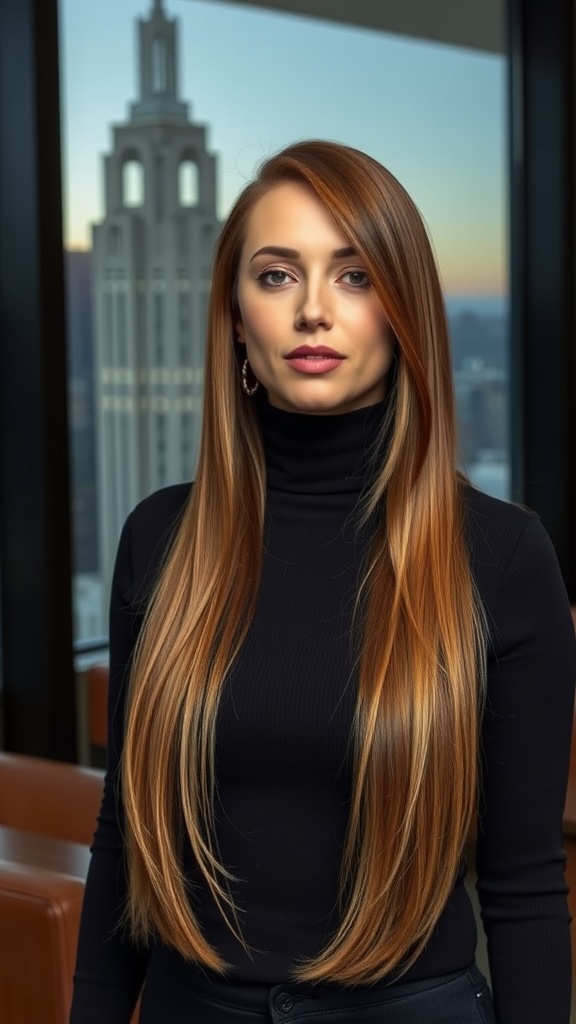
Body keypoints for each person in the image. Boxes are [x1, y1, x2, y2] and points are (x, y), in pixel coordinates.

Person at [70, 140, 576, 1024]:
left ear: (404, 310)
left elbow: (526, 883)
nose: (313, 311)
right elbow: (124, 839)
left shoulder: (502, 555)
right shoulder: (159, 538)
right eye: (275, 276)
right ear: (233, 315)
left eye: (354, 276)